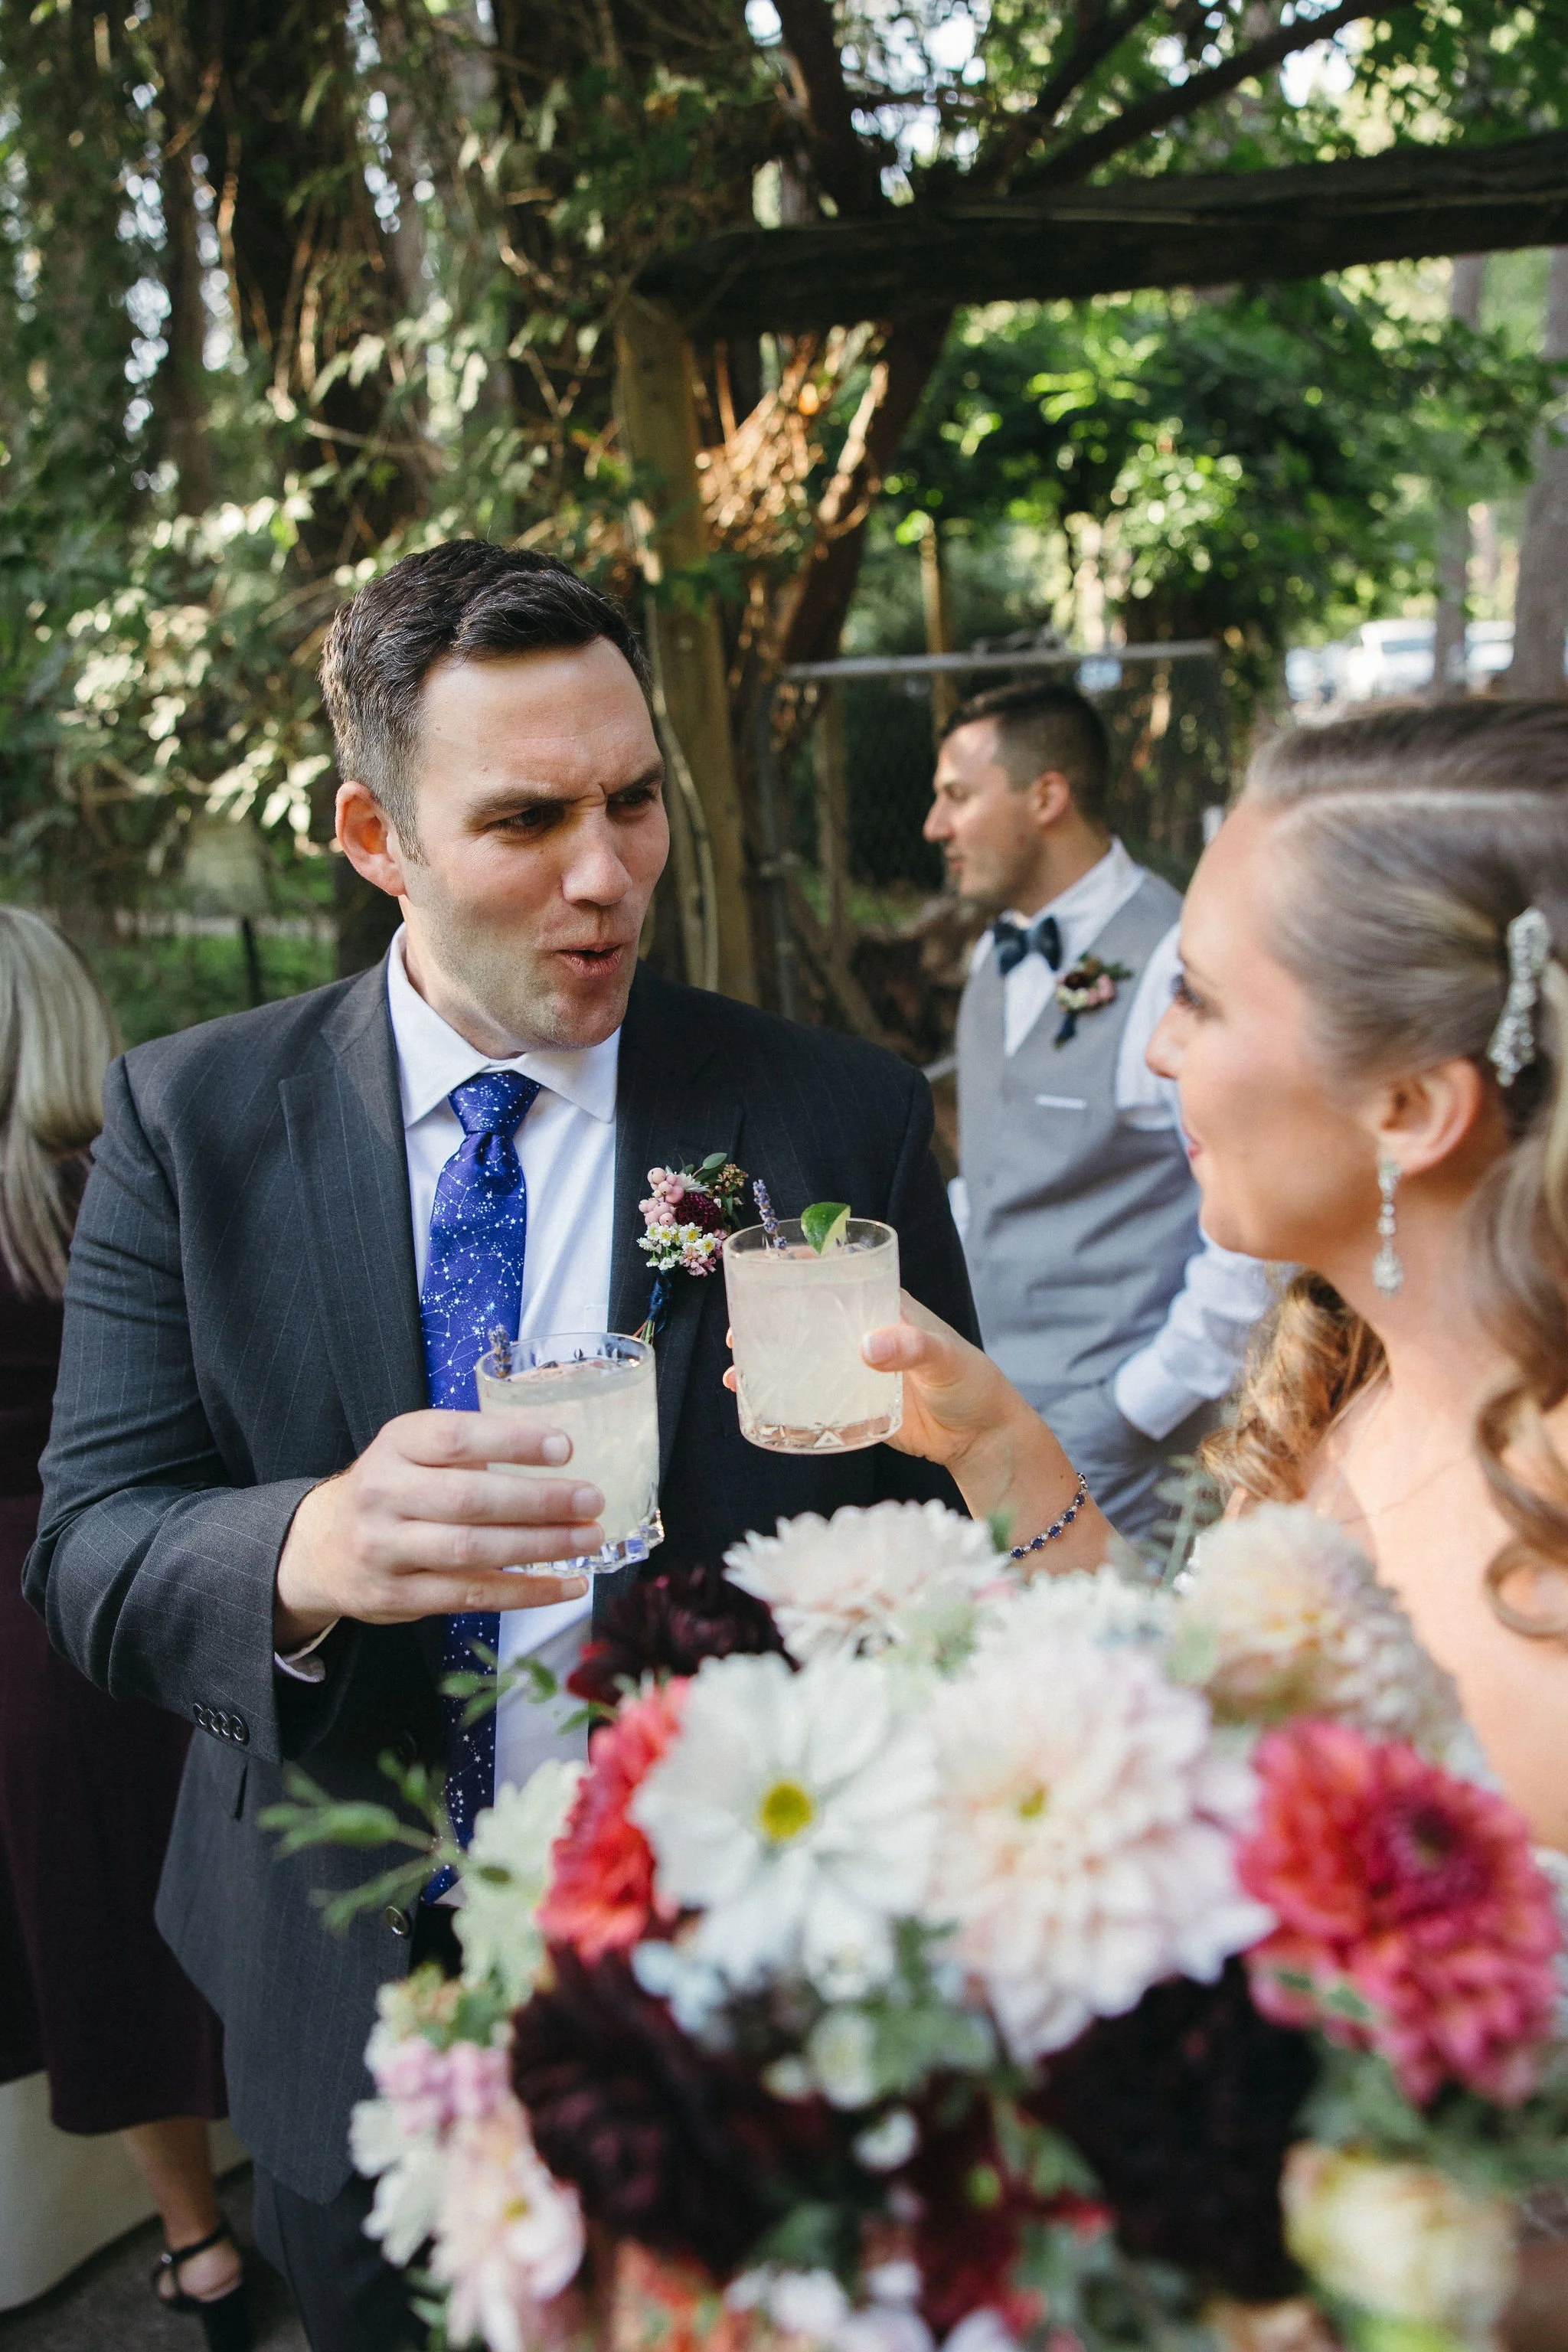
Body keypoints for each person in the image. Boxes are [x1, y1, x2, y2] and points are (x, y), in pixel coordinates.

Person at [28, 542, 977, 2352]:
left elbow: (928, 1532)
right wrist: (299, 1549)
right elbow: (89, 1550)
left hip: (735, 1978)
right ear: (373, 835)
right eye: (526, 819)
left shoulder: (829, 1110)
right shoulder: (189, 1120)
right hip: (346, 1992)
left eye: (633, 802)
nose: (605, 874)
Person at [873, 699, 1568, 1859]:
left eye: (1198, 995)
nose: (1156, 1047)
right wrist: (998, 1448)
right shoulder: (1342, 1388)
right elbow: (1211, 1729)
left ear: (1407, 1108)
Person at [0, 910, 249, 2350]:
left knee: (89, 1935)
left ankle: (198, 2245)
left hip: (29, 1632)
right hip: (163, 1579)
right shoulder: (121, 1182)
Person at [926, 679, 1273, 1542]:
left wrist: (1136, 1406)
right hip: (992, 1410)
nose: (935, 827)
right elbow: (999, 1174)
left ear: (1046, 796)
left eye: (957, 797)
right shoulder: (991, 957)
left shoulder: (1170, 963)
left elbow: (1245, 1221)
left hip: (1121, 1444)